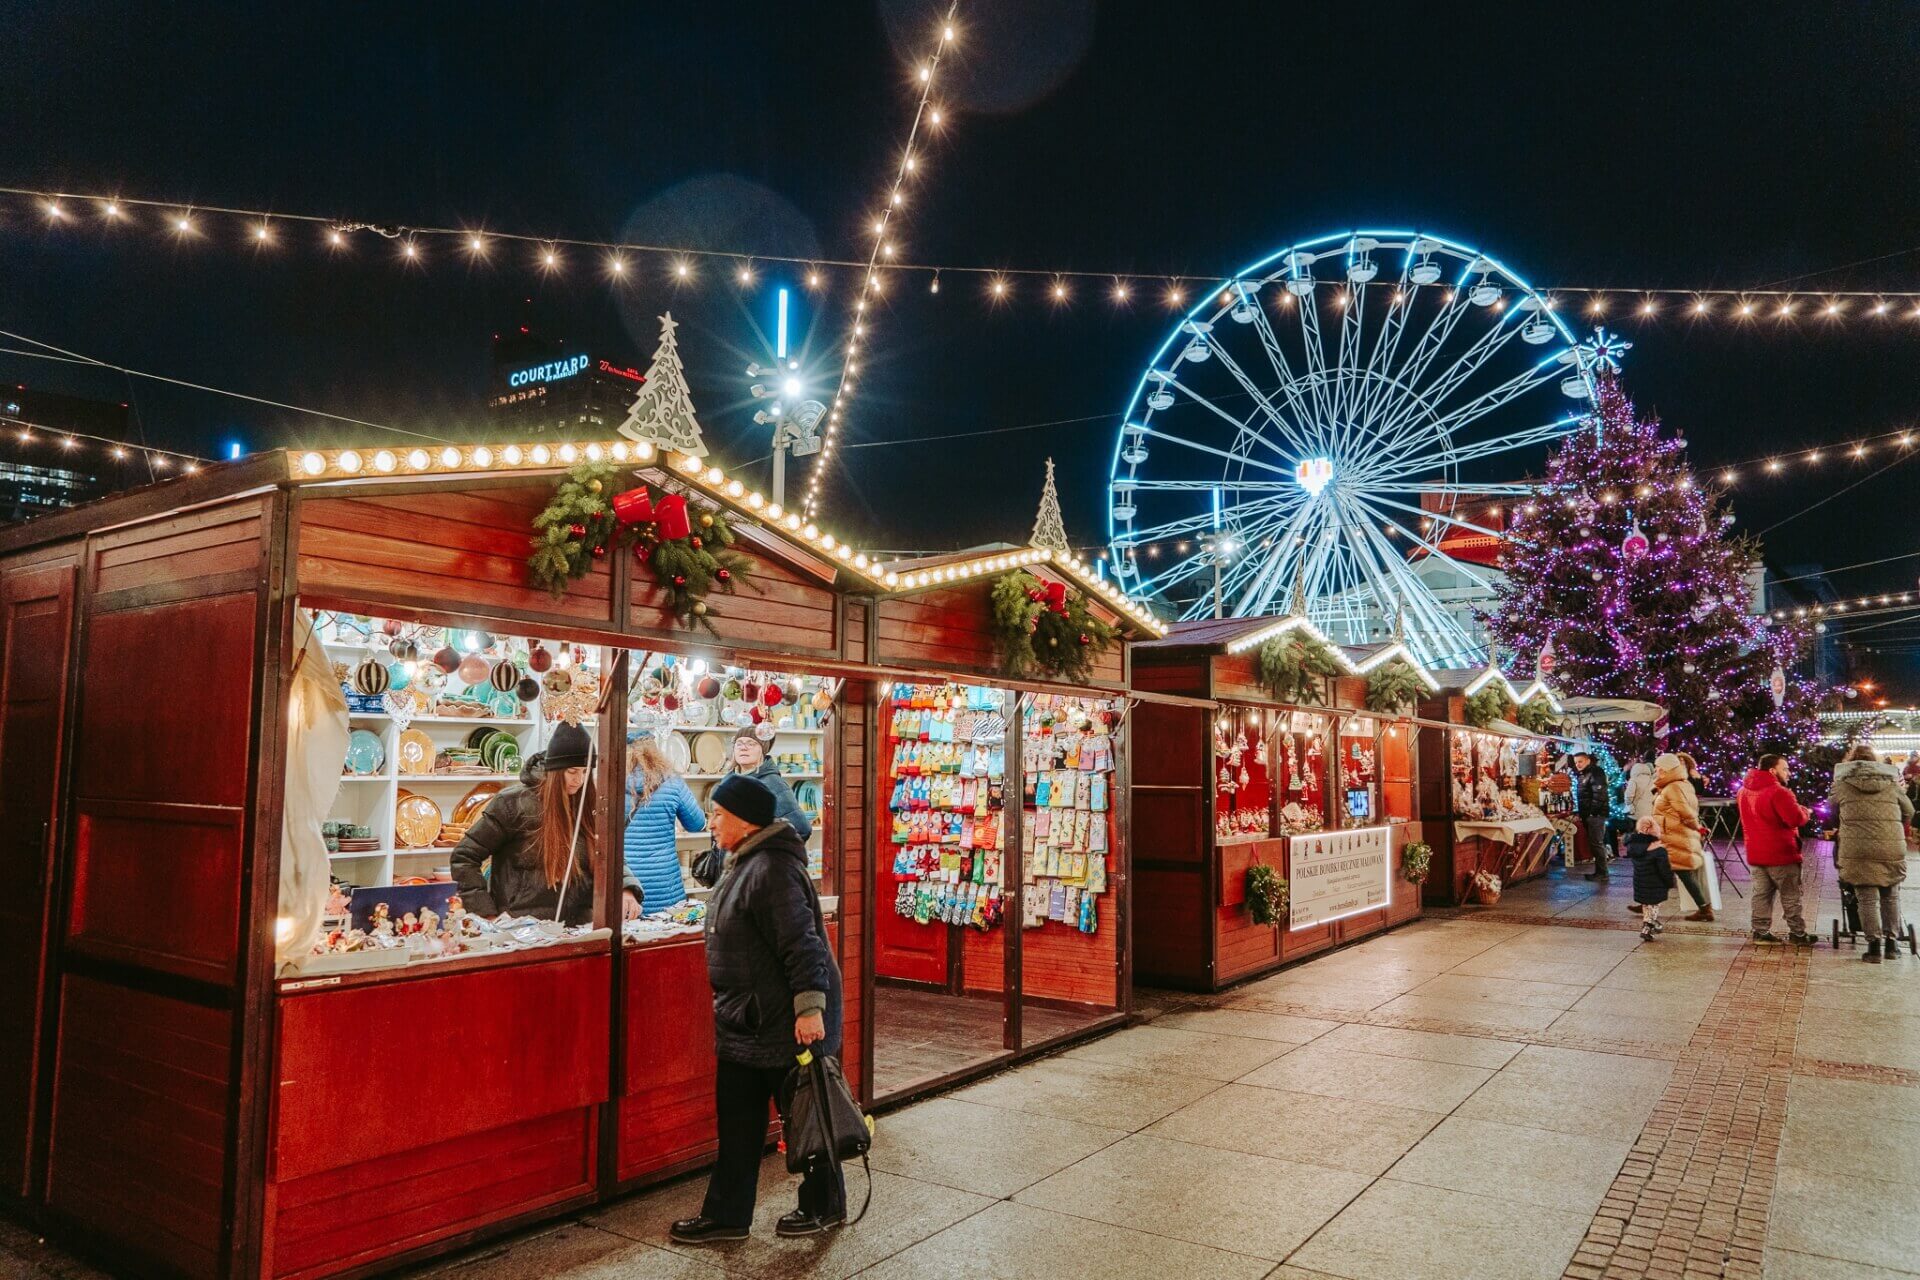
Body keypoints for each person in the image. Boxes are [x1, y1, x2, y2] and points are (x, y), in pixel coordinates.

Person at [671, 774, 845, 1244]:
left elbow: (802, 945)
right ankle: (728, 1216)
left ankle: (824, 1205)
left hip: (782, 1024)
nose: (711, 822)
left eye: (718, 814)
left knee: (806, 1116)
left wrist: (810, 1009)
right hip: (745, 1021)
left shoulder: (772, 869)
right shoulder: (744, 861)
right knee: (739, 1125)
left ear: (745, 821)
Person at [449, 722, 643, 925]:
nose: (580, 780)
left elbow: (610, 856)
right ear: (555, 770)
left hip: (578, 927)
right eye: (572, 771)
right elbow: (464, 856)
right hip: (522, 929)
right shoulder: (513, 803)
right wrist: (485, 913)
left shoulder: (589, 804)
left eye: (586, 772)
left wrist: (626, 888)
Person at [1830, 744, 1913, 963]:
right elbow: (1910, 810)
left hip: (1857, 849)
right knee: (1890, 895)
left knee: (1866, 899)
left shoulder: (1842, 784)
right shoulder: (1891, 783)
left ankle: (1874, 947)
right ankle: (1893, 945)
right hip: (1890, 845)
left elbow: (1831, 808)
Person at [1738, 753, 1816, 945]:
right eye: (1785, 768)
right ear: (1773, 770)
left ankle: (1760, 932)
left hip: (1756, 852)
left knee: (1761, 894)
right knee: (1790, 895)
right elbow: (1794, 819)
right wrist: (1805, 811)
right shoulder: (1779, 792)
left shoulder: (1743, 791)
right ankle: (1798, 934)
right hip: (1781, 853)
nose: (1788, 773)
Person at [623, 734, 706, 912]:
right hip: (665, 881)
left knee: (625, 936)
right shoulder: (673, 782)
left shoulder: (609, 783)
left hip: (626, 883)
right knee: (664, 934)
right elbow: (697, 824)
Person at [1652, 753, 1711, 921]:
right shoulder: (1678, 785)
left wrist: (1697, 828)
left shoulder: (1673, 787)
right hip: (1671, 835)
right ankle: (1647, 902)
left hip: (1675, 836)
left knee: (1683, 873)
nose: (1656, 770)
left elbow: (1686, 812)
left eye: (1658, 768)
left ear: (1666, 769)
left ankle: (1704, 908)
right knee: (1660, 870)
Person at [728, 725, 812, 841]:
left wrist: (764, 854)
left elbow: (801, 829)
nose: (743, 748)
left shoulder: (772, 784)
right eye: (739, 743)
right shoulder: (730, 781)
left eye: (751, 743)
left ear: (763, 749)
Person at [1626, 817, 1674, 940]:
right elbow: (1664, 869)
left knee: (1646, 905)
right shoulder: (1659, 850)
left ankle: (1649, 926)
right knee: (1654, 905)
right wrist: (1670, 881)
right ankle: (1650, 926)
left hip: (1640, 882)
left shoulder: (1633, 846)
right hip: (1656, 883)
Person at [1570, 749, 1612, 879]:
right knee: (1595, 843)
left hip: (1595, 815)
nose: (1578, 764)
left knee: (1596, 843)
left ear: (1588, 760)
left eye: (1580, 761)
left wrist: (1592, 813)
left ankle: (1602, 872)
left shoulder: (1595, 773)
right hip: (1589, 815)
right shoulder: (1583, 774)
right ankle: (1600, 871)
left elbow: (1599, 795)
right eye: (1576, 762)